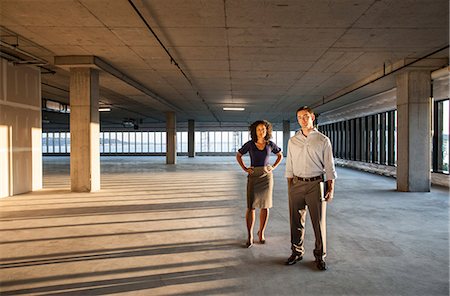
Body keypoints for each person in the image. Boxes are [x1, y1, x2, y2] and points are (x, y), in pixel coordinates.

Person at [285, 106, 336, 271]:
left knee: (318, 223)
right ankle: (296, 252)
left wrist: (331, 188)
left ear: (312, 117)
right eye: (299, 117)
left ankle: (320, 256)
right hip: (296, 184)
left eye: (306, 116)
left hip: (316, 185)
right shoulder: (293, 141)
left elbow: (329, 166)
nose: (303, 120)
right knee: (295, 221)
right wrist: (290, 188)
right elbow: (289, 166)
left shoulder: (322, 140)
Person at [236, 120, 283, 248]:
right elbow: (238, 155)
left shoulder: (270, 144)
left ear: (267, 130)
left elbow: (280, 155)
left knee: (265, 206)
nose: (261, 131)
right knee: (251, 206)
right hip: (253, 176)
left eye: (263, 129)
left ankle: (261, 232)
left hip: (266, 177)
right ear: (254, 131)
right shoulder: (250, 144)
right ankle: (250, 235)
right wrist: (245, 168)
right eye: (258, 129)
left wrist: (273, 167)